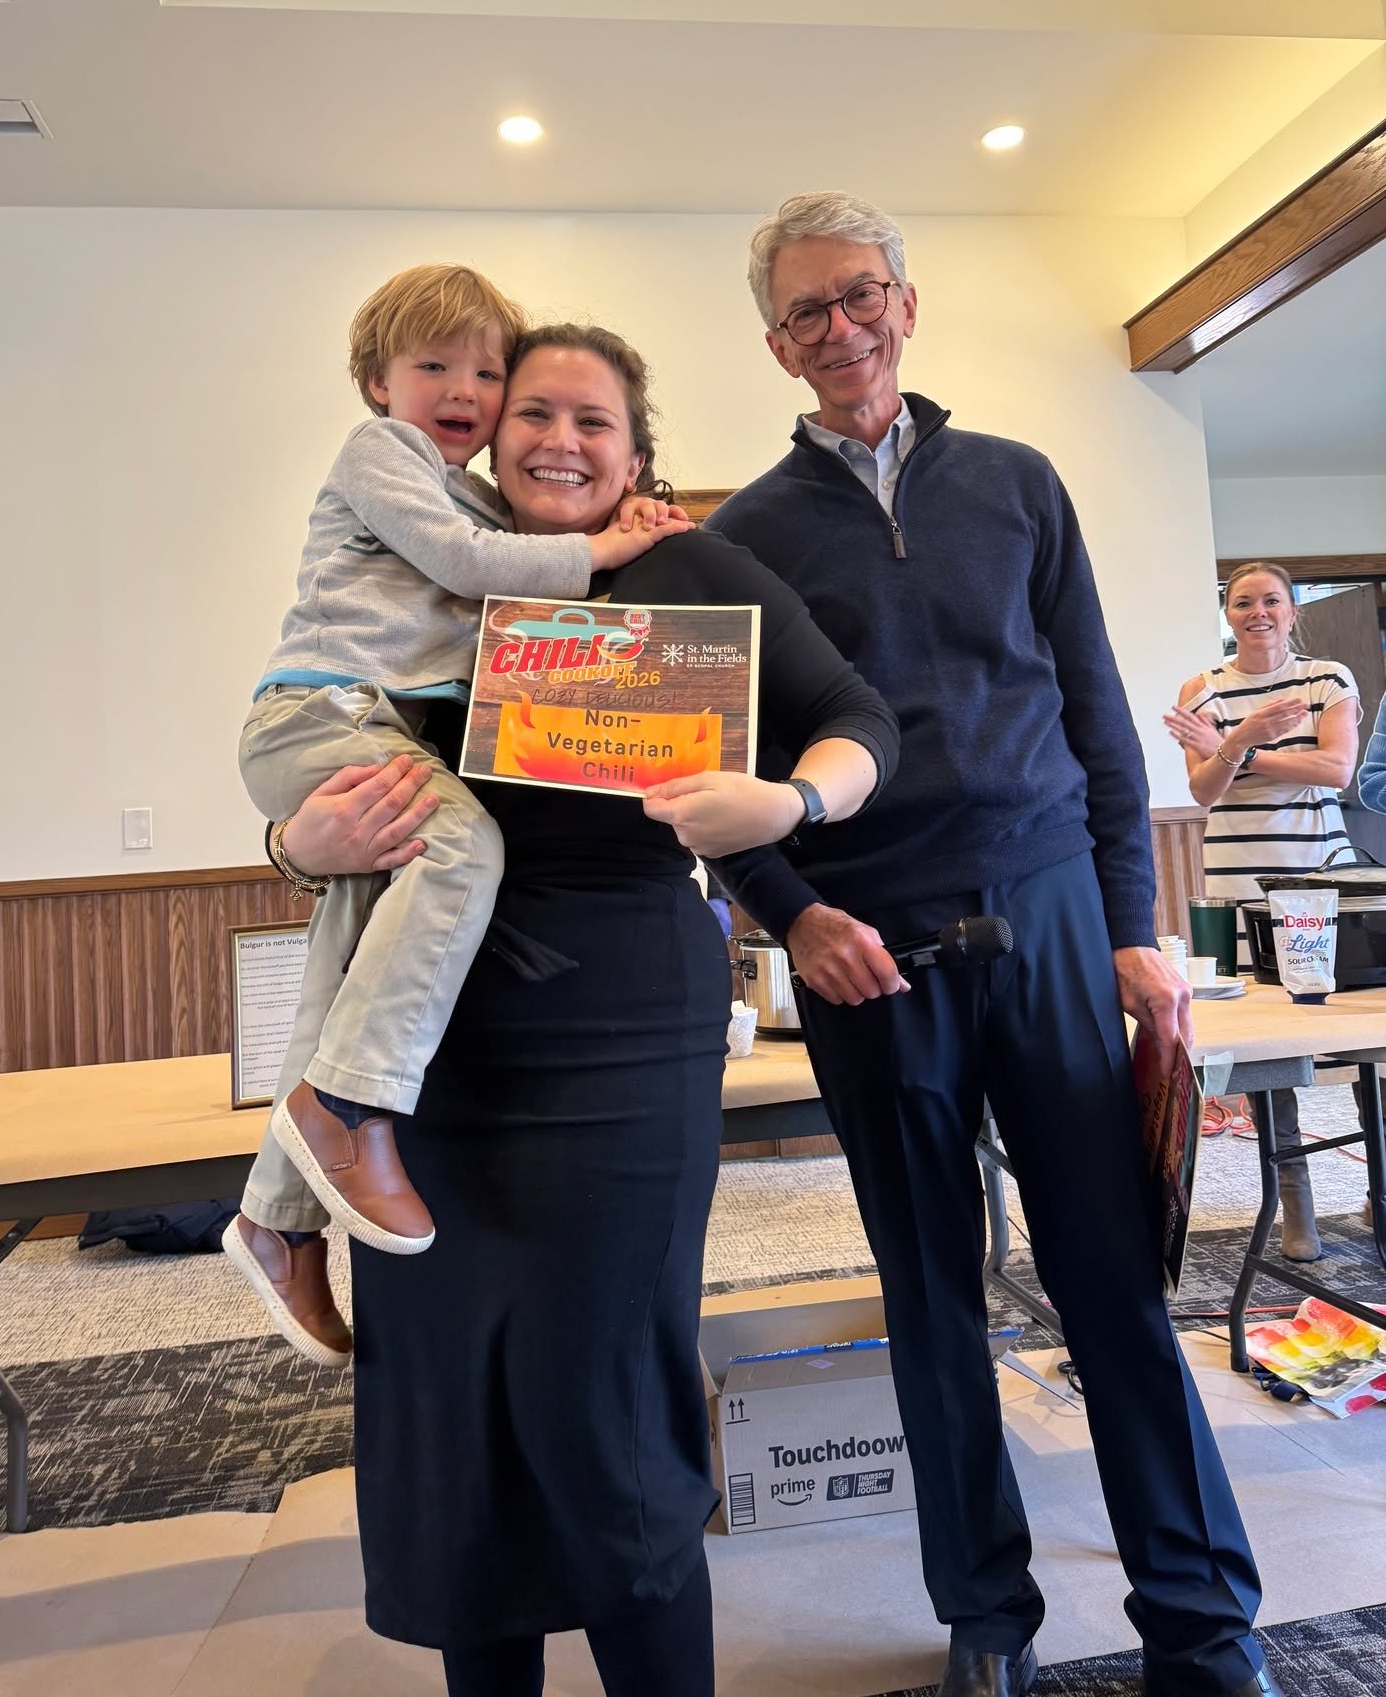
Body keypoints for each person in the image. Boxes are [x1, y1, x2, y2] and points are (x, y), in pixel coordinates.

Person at [702, 192, 1280, 1697]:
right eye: (809, 312)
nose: (844, 329)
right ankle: (987, 1619)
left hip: (1053, 932)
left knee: (1114, 1290)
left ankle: (1204, 1624)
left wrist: (1133, 931)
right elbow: (718, 785)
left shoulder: (1020, 484)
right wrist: (794, 915)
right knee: (934, 1301)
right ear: (776, 344)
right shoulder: (739, 537)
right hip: (869, 964)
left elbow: (1095, 715)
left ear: (908, 300)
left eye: (863, 294)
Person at [271, 322, 900, 1696]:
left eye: (594, 420)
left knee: (603, 1395)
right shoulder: (440, 563)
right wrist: (297, 846)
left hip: (619, 1029)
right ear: (490, 433)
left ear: (637, 447)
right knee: (454, 1420)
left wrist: (790, 806)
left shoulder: (693, 568)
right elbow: (322, 757)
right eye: (533, 412)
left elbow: (859, 717)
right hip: (424, 1056)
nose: (561, 439)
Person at [227, 265, 690, 1367]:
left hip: (377, 736)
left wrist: (627, 531)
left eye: (488, 371)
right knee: (460, 843)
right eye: (433, 365)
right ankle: (353, 1110)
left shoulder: (481, 495)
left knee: (347, 935)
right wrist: (607, 548)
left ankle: (278, 1217)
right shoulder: (385, 458)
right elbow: (471, 567)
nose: (462, 389)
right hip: (328, 715)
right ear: (376, 380)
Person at [1164, 562, 1361, 1262]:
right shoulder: (1203, 688)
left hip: (1320, 879)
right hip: (1240, 880)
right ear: (1228, 613)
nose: (1258, 612)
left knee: (1356, 1032)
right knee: (1269, 1047)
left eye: (1271, 600)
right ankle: (1294, 1200)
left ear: (1293, 609)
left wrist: (1239, 746)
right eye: (1242, 602)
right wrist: (1243, 737)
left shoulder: (1327, 679)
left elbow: (1337, 771)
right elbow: (1204, 793)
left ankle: (1380, 1195)